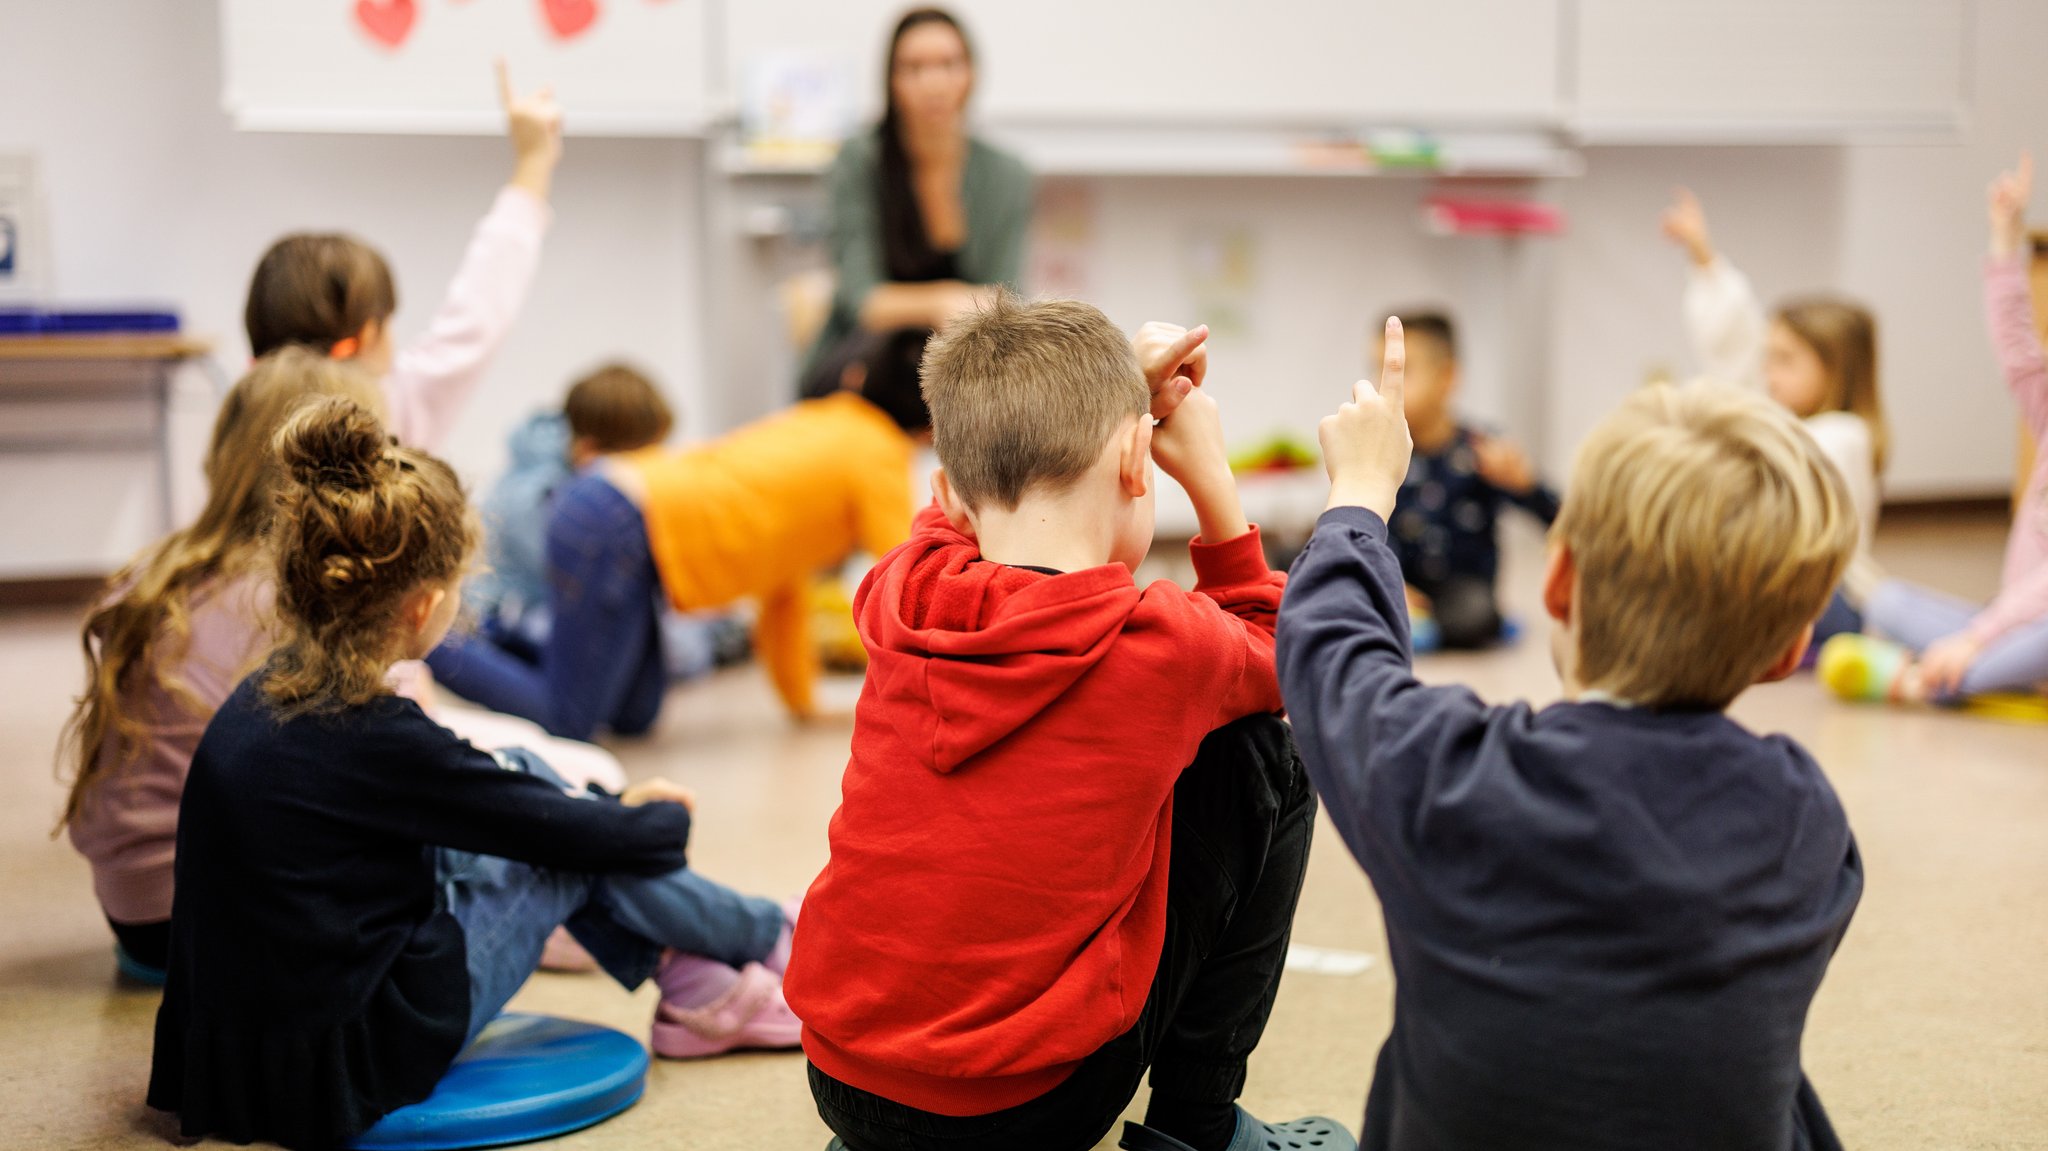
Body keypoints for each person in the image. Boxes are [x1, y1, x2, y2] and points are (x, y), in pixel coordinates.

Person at [146, 399, 803, 1151]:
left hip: (241, 1055)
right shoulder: (379, 737)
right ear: (424, 605)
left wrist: (605, 809)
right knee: (563, 850)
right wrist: (654, 819)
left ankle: (702, 982)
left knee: (524, 777)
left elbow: (495, 795)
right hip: (344, 1053)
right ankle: (765, 938)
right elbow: (562, 833)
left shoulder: (265, 693)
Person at [784, 296, 1356, 1151]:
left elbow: (960, 498)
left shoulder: (898, 591)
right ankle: (1197, 1128)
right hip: (1027, 1112)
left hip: (842, 1081)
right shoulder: (1162, 641)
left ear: (947, 496)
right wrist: (1212, 483)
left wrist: (1101, 389)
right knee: (1266, 748)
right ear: (1138, 460)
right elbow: (1287, 658)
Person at [1279, 328, 1863, 1150]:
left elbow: (1333, 652)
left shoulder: (1446, 775)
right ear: (1790, 651)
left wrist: (1360, 495)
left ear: (1557, 584)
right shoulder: (1808, 817)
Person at [55, 351, 627, 976]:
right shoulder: (285, 599)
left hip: (133, 912)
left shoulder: (154, 572)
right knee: (578, 784)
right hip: (224, 914)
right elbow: (407, 762)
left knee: (529, 772)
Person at [427, 360, 926, 735]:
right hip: (614, 518)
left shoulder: (839, 424)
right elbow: (908, 579)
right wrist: (932, 697)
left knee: (635, 716)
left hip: (618, 520)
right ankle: (432, 637)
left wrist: (804, 705)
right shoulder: (881, 450)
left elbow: (785, 589)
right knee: (569, 719)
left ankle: (498, 636)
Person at [242, 61, 560, 454]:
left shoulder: (237, 427)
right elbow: (480, 311)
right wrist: (533, 160)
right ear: (370, 334)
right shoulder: (395, 409)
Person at [1821, 154, 2048, 704]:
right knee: (1887, 602)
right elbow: (2017, 348)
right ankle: (1984, 671)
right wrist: (2003, 236)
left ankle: (1929, 680)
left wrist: (1973, 640)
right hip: (2016, 625)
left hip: (2031, 630)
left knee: (1997, 649)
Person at [1661, 187, 1885, 644]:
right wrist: (1704, 259)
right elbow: (1738, 347)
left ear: (1835, 369)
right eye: (1770, 358)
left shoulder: (1843, 437)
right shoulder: (1792, 420)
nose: (1768, 373)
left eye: (1785, 361)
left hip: (1832, 599)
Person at [799, 7, 1033, 399]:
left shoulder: (1008, 175)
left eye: (948, 64)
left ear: (972, 74)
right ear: (891, 80)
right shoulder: (859, 162)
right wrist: (943, 301)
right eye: (913, 67)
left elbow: (1008, 298)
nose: (933, 82)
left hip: (968, 375)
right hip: (863, 369)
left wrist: (945, 306)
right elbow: (863, 300)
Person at [1373, 311, 1558, 649]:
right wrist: (1386, 580)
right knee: (1306, 565)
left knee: (1475, 612)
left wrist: (1527, 486)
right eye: (1378, 368)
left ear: (1447, 377)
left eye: (1403, 370)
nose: (1385, 383)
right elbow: (1363, 529)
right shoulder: (1378, 453)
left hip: (1460, 596)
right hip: (1397, 588)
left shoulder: (1482, 451)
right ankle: (1400, 620)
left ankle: (1412, 630)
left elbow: (1558, 522)